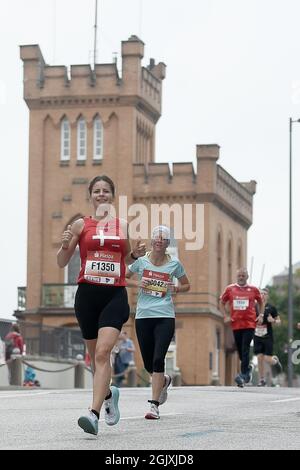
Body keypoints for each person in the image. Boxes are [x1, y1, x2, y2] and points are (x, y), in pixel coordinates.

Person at [57, 175, 146, 436]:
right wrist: (64, 247)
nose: (101, 194)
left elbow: (128, 261)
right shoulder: (80, 225)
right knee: (96, 361)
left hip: (114, 296)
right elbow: (62, 262)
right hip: (86, 296)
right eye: (96, 191)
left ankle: (93, 414)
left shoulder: (123, 226)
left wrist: (136, 255)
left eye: (106, 191)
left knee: (103, 354)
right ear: (91, 195)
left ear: (112, 196)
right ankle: (109, 394)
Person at [126, 225, 190, 419]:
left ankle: (154, 406)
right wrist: (139, 283)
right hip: (144, 315)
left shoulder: (174, 264)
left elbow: (187, 284)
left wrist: (176, 288)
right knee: (147, 363)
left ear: (167, 244)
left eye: (163, 239)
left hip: (165, 315)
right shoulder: (142, 261)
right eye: (156, 238)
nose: (159, 241)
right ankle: (164, 380)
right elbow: (124, 278)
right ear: (152, 242)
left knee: (157, 359)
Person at [219, 268, 264, 388]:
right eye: (239, 275)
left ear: (247, 277)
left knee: (245, 348)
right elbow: (222, 302)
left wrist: (261, 315)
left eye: (243, 275)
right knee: (240, 350)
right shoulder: (230, 289)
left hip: (249, 324)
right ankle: (248, 368)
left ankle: (243, 375)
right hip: (236, 324)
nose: (241, 277)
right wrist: (225, 316)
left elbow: (261, 301)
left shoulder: (253, 289)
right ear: (236, 276)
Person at [254, 288, 282, 386]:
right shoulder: (254, 307)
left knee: (267, 358)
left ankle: (275, 361)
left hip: (268, 336)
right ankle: (262, 380)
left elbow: (279, 322)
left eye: (265, 294)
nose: (262, 295)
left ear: (267, 296)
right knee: (259, 358)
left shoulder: (271, 308)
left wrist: (273, 321)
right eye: (261, 293)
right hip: (257, 335)